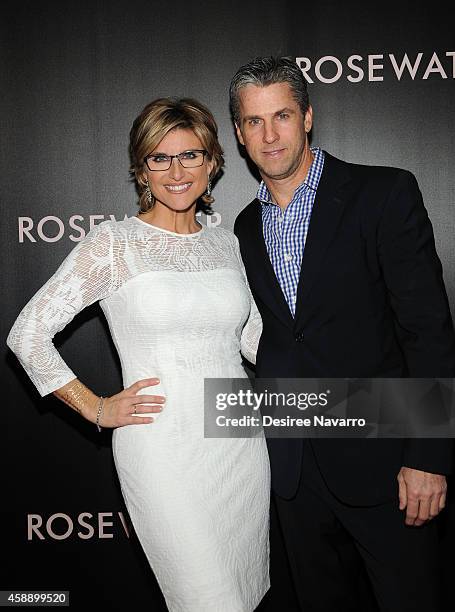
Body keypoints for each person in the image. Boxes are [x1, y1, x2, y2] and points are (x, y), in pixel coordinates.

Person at [7, 97, 270, 612]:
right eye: (160, 158)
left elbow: (255, 340)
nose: (177, 171)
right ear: (141, 168)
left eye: (191, 155)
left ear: (213, 161)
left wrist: (357, 381)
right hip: (163, 449)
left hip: (238, 446)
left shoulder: (228, 246)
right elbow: (28, 333)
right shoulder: (114, 245)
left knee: (243, 593)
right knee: (210, 599)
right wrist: (96, 407)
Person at [230, 56, 455, 612]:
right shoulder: (244, 227)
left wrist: (429, 456)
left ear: (308, 116)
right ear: (238, 133)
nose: (270, 134)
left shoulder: (383, 194)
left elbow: (427, 330)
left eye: (281, 116)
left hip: (387, 468)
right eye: (254, 122)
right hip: (295, 473)